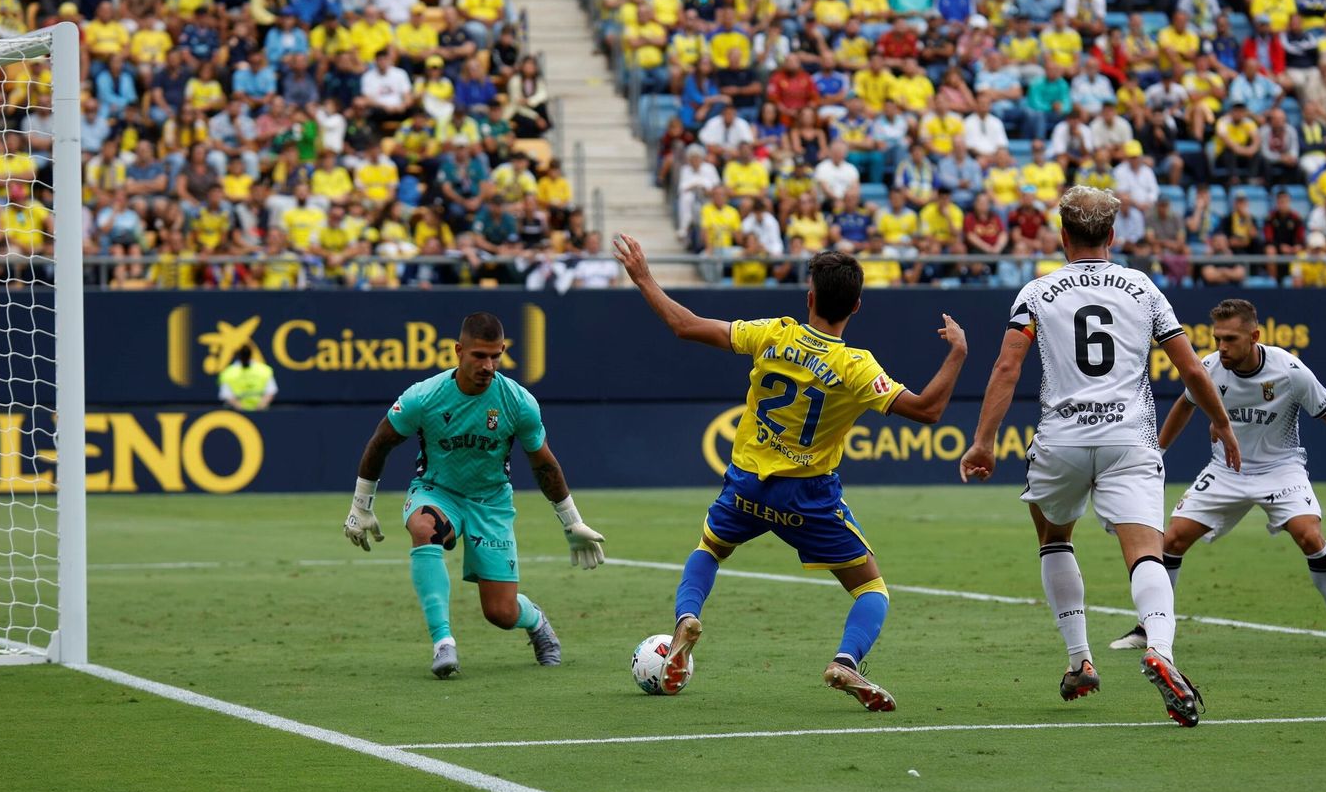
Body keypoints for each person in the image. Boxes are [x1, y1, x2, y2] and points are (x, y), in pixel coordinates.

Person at [614, 235, 967, 711]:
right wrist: (957, 354)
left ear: (810, 298)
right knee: (870, 588)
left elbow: (686, 326)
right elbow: (927, 409)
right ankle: (846, 660)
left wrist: (644, 278)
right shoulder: (856, 367)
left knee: (710, 549)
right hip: (808, 498)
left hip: (747, 483)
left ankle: (686, 619)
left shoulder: (773, 333)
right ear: (857, 306)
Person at [958, 186, 1240, 728]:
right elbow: (1192, 370)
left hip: (1061, 440)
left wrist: (984, 441)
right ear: (1112, 236)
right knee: (1146, 554)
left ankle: (1079, 659)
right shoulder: (1143, 289)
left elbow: (1006, 369)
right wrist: (1221, 423)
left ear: (1062, 235)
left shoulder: (1037, 292)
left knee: (1055, 538)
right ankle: (1161, 648)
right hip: (1129, 440)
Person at [342, 312, 606, 678]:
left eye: (495, 356)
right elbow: (380, 442)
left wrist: (571, 521)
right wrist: (361, 505)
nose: (488, 365)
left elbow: (544, 464)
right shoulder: (424, 397)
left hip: (491, 503)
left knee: (500, 613)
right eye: (479, 356)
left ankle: (536, 621)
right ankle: (443, 643)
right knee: (424, 527)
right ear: (458, 351)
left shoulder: (517, 402)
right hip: (437, 491)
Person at [1111, 299, 1326, 654]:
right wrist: (1156, 454)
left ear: (1255, 336)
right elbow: (1184, 406)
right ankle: (1147, 627)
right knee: (1171, 541)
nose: (1222, 347)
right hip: (1226, 471)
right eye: (1218, 338)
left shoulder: (1290, 371)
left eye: (1230, 339)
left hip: (1281, 468)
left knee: (1310, 536)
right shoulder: (1210, 368)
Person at [217, 345, 277, 411]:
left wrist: (260, 407)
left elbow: (270, 392)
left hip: (260, 411)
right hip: (238, 412)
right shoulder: (228, 373)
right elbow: (227, 395)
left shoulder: (264, 370)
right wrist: (243, 409)